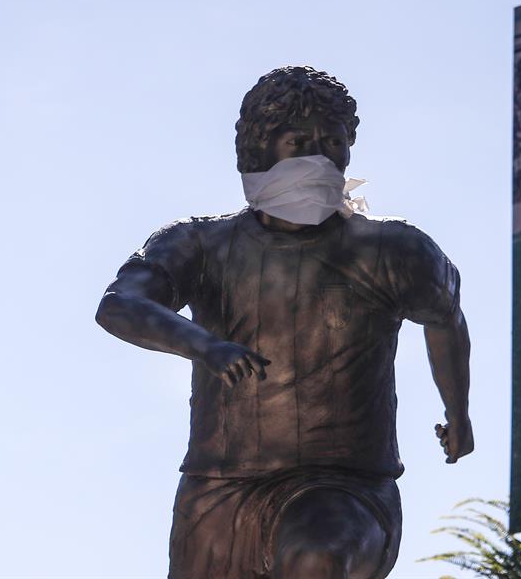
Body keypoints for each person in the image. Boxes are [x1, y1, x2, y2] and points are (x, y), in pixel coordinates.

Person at [95, 66, 473, 578]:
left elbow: (445, 316)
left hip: (345, 487)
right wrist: (205, 346)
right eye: (299, 143)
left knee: (316, 558)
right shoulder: (202, 244)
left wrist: (459, 414)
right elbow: (118, 305)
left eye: (332, 143)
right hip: (217, 492)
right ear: (258, 150)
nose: (318, 159)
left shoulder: (392, 249)